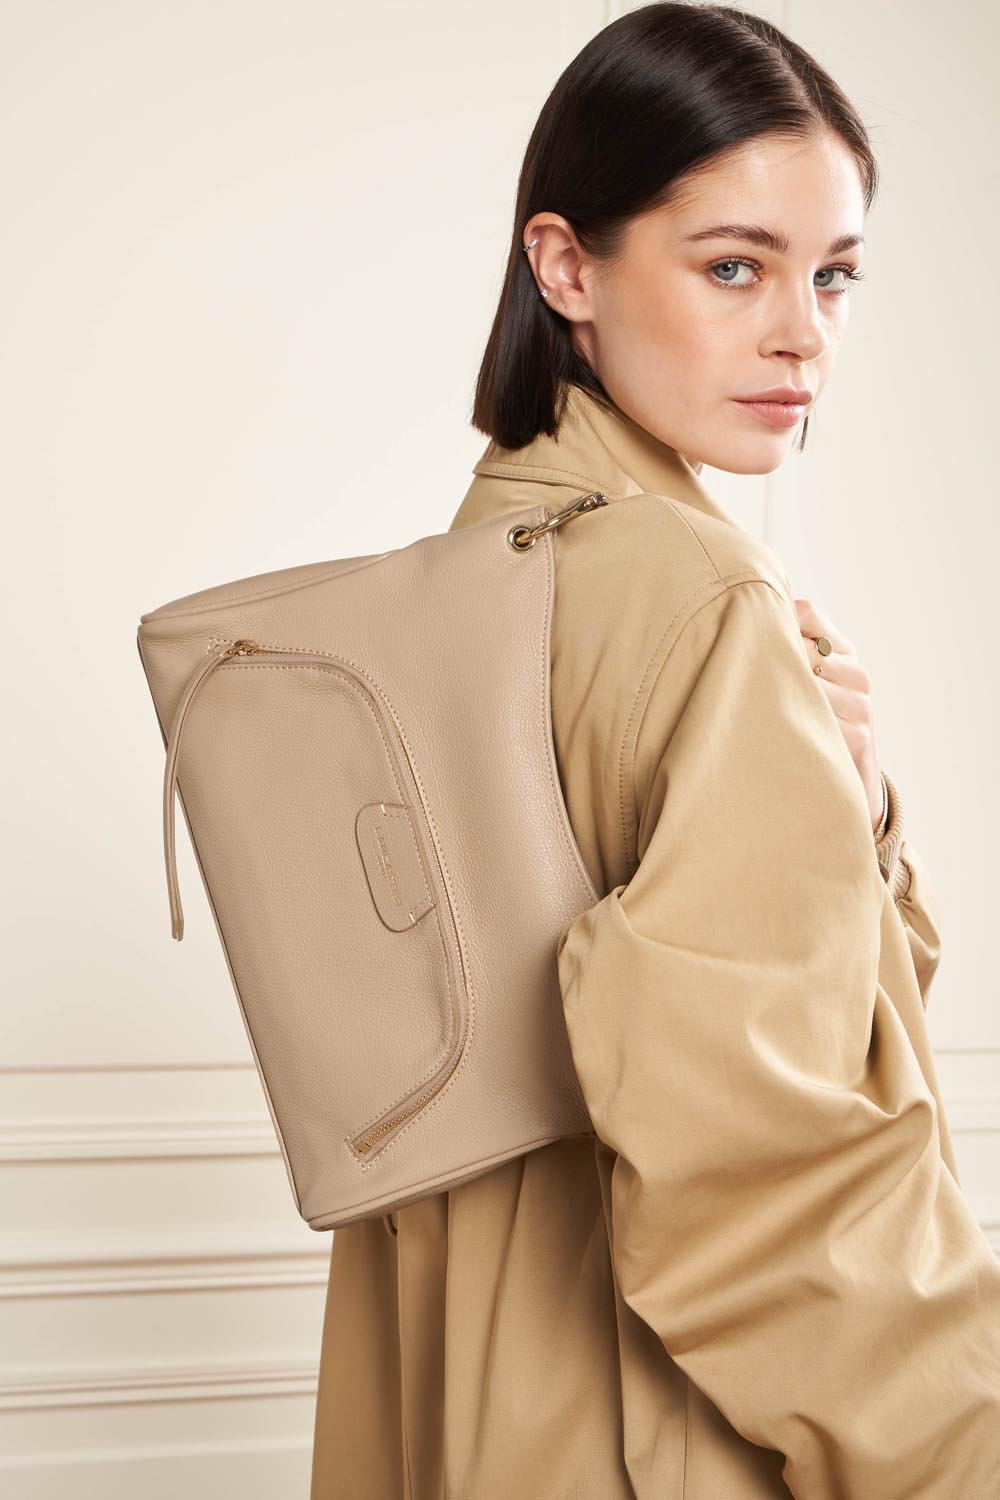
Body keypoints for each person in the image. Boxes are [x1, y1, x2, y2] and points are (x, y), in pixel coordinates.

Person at [310, 5, 1000, 1496]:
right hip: (659, 1422)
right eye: (735, 267)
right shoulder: (703, 597)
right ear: (567, 266)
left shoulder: (460, 579)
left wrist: (849, 813)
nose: (804, 331)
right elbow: (766, 1160)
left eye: (833, 274)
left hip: (465, 1397)